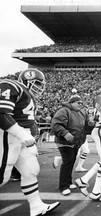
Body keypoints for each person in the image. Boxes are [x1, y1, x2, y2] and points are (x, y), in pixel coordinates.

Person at [0, 68, 60, 216]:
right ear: (28, 79)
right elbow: (1, 113)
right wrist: (21, 133)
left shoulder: (30, 96)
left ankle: (36, 206)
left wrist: (29, 135)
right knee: (2, 175)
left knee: (31, 170)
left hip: (21, 136)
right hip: (9, 134)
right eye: (38, 84)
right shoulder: (12, 86)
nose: (40, 88)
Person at [51, 95, 91, 196]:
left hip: (76, 141)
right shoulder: (64, 111)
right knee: (68, 161)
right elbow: (56, 124)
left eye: (82, 103)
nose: (81, 105)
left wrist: (91, 124)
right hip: (64, 141)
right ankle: (63, 186)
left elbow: (86, 127)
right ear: (71, 102)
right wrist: (65, 133)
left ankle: (68, 182)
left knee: (72, 161)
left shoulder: (82, 112)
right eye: (78, 102)